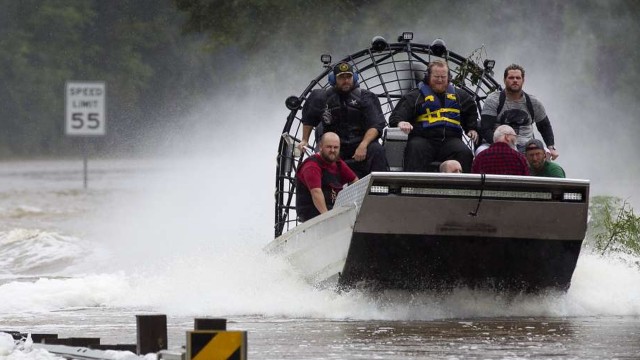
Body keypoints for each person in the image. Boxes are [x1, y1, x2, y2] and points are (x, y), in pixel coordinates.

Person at [298, 62, 388, 178]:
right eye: (341, 77)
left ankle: (379, 188)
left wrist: (363, 145)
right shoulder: (320, 97)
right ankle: (327, 190)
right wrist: (304, 140)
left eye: (348, 77)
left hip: (360, 142)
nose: (346, 81)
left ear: (354, 77)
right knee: (324, 153)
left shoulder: (366, 97)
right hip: (334, 144)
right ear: (333, 79)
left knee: (377, 150)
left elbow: (376, 125)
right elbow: (309, 119)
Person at [388, 59, 479, 173]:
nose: (440, 80)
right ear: (428, 77)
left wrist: (471, 128)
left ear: (449, 77)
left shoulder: (460, 96)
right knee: (415, 148)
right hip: (423, 139)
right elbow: (397, 116)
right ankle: (412, 186)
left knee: (464, 152)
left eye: (443, 77)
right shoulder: (415, 96)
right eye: (436, 77)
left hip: (451, 140)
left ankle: (461, 188)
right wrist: (400, 123)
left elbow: (471, 111)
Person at [479, 64, 559, 159]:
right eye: (511, 78)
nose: (515, 80)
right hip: (496, 143)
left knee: (545, 155)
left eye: (518, 78)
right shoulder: (493, 99)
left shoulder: (533, 102)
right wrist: (502, 146)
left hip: (526, 145)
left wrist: (551, 147)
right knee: (480, 152)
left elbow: (544, 125)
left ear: (523, 80)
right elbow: (486, 128)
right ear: (504, 80)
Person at [296, 132, 359, 222]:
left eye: (336, 147)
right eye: (329, 147)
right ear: (321, 147)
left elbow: (355, 181)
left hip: (333, 209)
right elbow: (316, 192)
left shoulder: (337, 163)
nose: (332, 150)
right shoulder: (311, 165)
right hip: (313, 215)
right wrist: (328, 218)